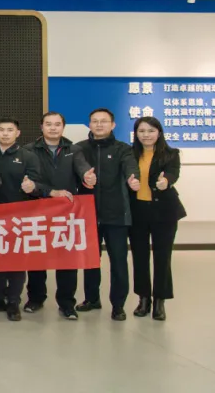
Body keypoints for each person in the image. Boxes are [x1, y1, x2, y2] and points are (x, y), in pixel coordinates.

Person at [75, 108, 140, 321]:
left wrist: (133, 178)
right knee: (91, 261)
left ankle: (118, 305)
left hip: (116, 215)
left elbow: (131, 167)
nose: (99, 125)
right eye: (95, 121)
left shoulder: (123, 149)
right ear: (89, 124)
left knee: (118, 262)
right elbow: (78, 167)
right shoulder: (79, 148)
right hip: (88, 214)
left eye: (104, 121)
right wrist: (85, 176)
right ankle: (92, 299)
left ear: (113, 125)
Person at [25, 112, 85, 320]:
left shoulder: (74, 150)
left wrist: (87, 176)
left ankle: (67, 303)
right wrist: (49, 192)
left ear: (63, 127)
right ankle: (35, 298)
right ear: (41, 127)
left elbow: (83, 169)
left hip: (66, 213)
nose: (53, 128)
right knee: (36, 258)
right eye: (48, 124)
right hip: (37, 209)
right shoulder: (29, 150)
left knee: (67, 259)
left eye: (57, 124)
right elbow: (29, 181)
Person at [0, 117, 42, 322]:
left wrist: (32, 187)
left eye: (10, 130)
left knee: (17, 261)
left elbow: (37, 184)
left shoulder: (28, 156)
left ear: (17, 133)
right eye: (1, 129)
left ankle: (13, 302)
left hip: (20, 216)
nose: (5, 133)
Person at [129, 116, 185, 321]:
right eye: (142, 131)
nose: (146, 135)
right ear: (136, 134)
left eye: (151, 131)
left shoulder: (171, 154)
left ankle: (160, 300)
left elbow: (173, 173)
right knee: (139, 257)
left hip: (164, 212)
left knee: (162, 257)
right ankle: (143, 299)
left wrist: (166, 182)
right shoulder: (129, 154)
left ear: (159, 133)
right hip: (137, 211)